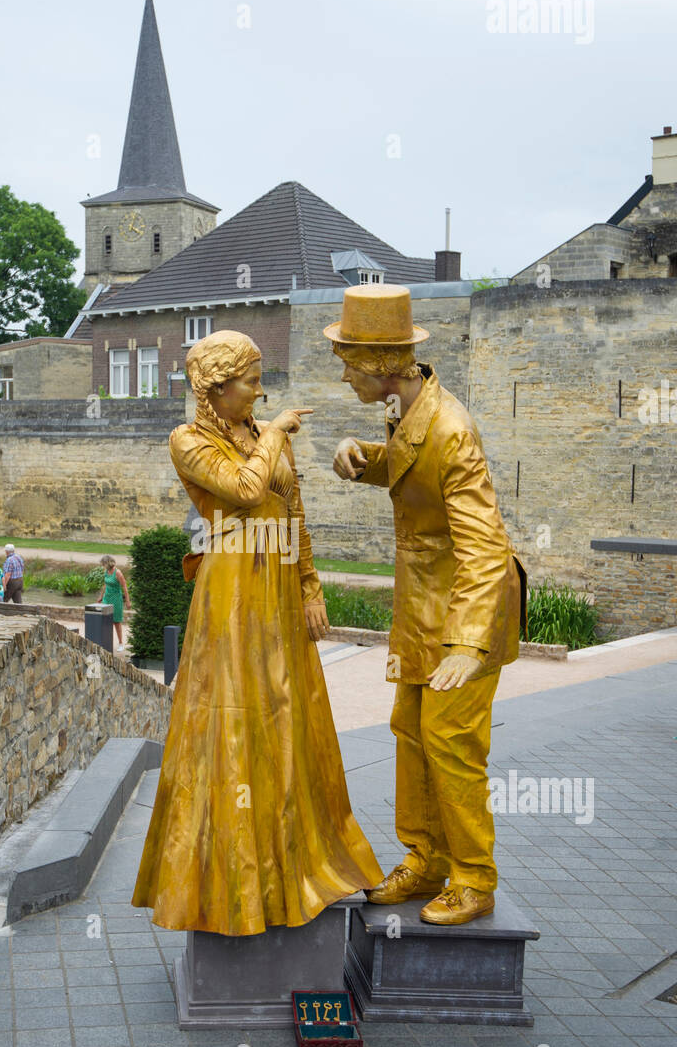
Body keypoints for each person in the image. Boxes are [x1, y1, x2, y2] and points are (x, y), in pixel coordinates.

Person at [132, 330, 383, 936]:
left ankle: (293, 858)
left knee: (286, 714)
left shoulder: (258, 434)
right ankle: (233, 877)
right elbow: (245, 491)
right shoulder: (189, 440)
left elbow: (293, 510)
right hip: (232, 592)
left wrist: (310, 586)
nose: (261, 390)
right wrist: (274, 433)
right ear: (215, 389)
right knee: (236, 716)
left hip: (276, 584)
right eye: (250, 380)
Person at [329, 284, 526, 926]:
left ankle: (474, 878)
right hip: (424, 606)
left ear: (384, 362)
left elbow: (487, 548)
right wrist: (368, 462)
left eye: (349, 360)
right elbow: (414, 470)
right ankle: (425, 859)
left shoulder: (453, 430)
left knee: (452, 741)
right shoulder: (409, 412)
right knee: (411, 733)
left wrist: (468, 645)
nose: (344, 372)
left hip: (467, 609)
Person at [97, 555, 131, 651]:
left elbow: (124, 587)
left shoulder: (118, 573)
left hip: (116, 599)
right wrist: (101, 596)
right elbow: (105, 585)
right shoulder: (106, 572)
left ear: (107, 563)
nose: (102, 566)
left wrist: (128, 601)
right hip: (107, 598)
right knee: (104, 620)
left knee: (116, 621)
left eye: (103, 564)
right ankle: (105, 642)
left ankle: (120, 643)